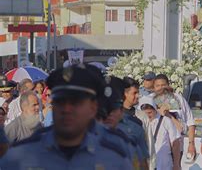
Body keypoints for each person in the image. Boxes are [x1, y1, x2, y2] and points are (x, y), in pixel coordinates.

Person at [0, 65, 133, 169]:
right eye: (60, 102)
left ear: (93, 108)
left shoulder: (113, 158)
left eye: (76, 103)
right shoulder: (19, 157)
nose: (67, 109)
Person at [152, 74, 196, 160]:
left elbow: (190, 122)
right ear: (154, 87)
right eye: (158, 86)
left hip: (178, 146)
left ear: (168, 85)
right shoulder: (150, 101)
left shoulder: (179, 99)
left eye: (163, 85)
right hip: (158, 148)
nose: (161, 88)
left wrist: (191, 144)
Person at [139, 96, 181, 170]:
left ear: (155, 110)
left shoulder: (166, 121)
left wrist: (176, 164)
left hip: (165, 165)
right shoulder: (139, 123)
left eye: (150, 112)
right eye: (145, 113)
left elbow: (175, 143)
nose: (148, 116)